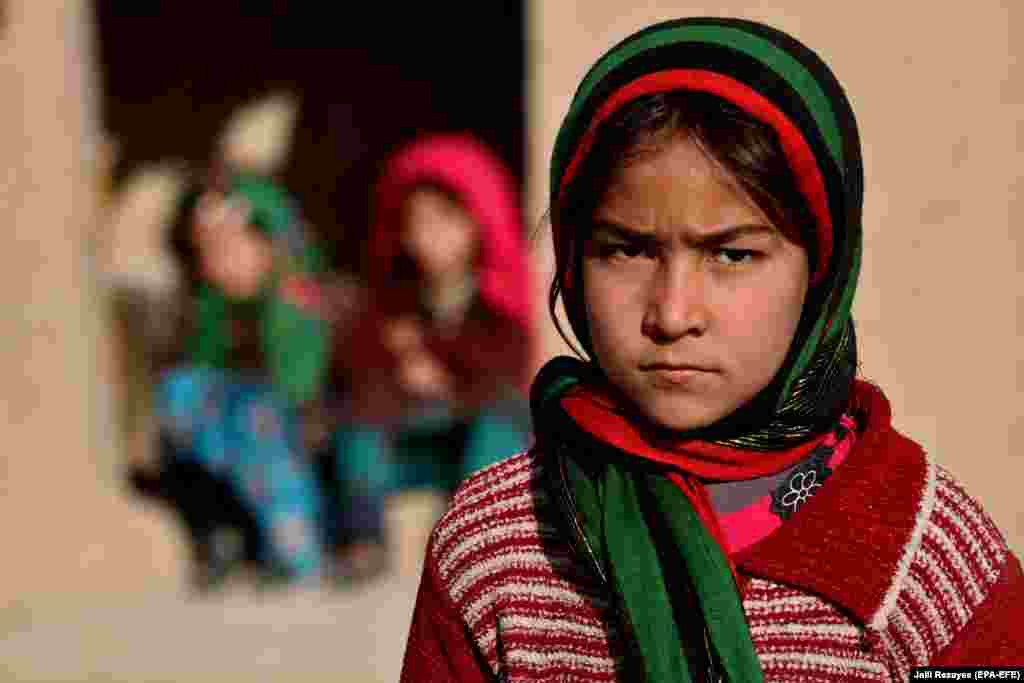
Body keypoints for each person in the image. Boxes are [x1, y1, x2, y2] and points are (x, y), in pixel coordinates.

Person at [400, 17, 1024, 681]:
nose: (671, 313)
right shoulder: (497, 550)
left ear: (821, 269)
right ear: (575, 260)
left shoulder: (927, 563)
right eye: (628, 249)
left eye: (732, 253)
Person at [331, 133, 535, 584]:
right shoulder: (391, 300)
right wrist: (402, 371)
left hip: (470, 446)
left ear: (476, 223)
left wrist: (433, 362)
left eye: (444, 221)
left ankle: (474, 540)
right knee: (356, 427)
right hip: (407, 442)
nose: (428, 237)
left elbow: (503, 374)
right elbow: (359, 366)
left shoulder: (497, 304)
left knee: (504, 419)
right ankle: (363, 542)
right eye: (416, 223)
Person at [148, 165, 334, 590]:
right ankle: (223, 537)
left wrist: (268, 301)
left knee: (258, 415)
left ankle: (296, 557)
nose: (217, 261)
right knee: (182, 393)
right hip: (228, 446)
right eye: (207, 250)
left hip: (293, 433)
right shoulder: (211, 306)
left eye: (232, 247)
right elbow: (200, 369)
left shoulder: (293, 296)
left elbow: (298, 383)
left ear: (268, 245)